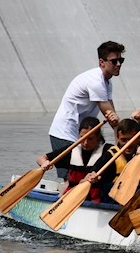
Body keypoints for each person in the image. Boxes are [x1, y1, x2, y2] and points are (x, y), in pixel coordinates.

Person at [48, 41, 124, 178]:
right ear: (102, 62)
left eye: (121, 60)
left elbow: (113, 114)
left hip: (81, 134)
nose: (118, 64)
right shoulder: (96, 81)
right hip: (64, 132)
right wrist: (124, 142)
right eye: (114, 61)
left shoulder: (107, 80)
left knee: (85, 173)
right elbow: (110, 116)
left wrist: (121, 141)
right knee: (70, 176)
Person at [38, 116, 111, 202]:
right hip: (71, 199)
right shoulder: (71, 150)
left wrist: (116, 124)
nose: (85, 143)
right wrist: (44, 163)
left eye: (90, 139)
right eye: (82, 138)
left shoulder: (107, 151)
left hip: (96, 202)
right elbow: (41, 158)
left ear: (98, 136)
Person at [86, 118, 140, 203]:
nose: (128, 144)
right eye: (124, 140)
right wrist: (92, 177)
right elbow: (89, 176)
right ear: (117, 137)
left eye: (131, 139)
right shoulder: (109, 157)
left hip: (133, 204)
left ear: (138, 138)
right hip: (110, 205)